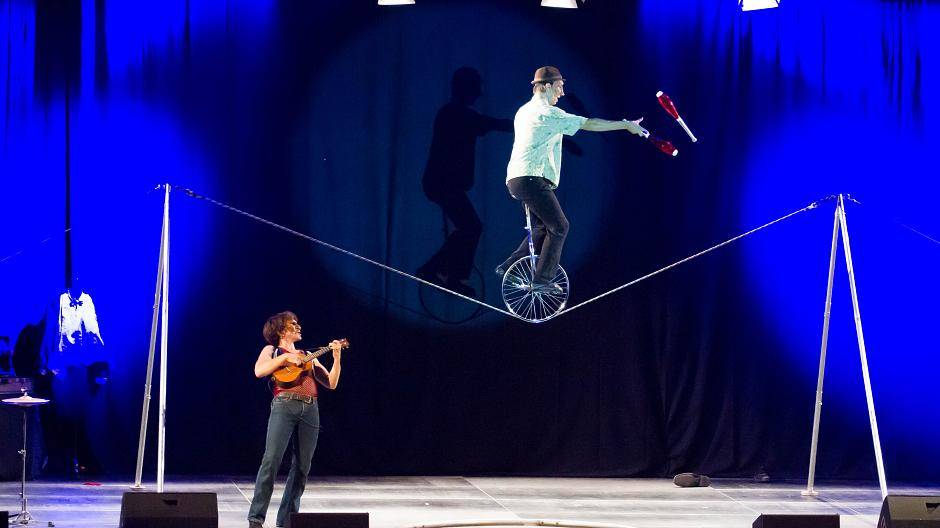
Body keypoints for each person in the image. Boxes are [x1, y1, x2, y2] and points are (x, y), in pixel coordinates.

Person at [496, 66, 648, 290]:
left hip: (518, 178)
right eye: (559, 87)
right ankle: (541, 281)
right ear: (546, 86)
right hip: (531, 178)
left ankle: (509, 267)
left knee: (542, 228)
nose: (562, 93)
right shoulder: (547, 113)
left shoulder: (523, 111)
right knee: (560, 226)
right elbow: (589, 123)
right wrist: (625, 125)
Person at [418, 67, 512, 296]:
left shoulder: (455, 114)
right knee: (470, 227)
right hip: (443, 184)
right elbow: (494, 123)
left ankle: (446, 273)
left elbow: (489, 124)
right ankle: (439, 271)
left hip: (442, 184)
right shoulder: (455, 114)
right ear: (465, 89)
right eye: (475, 89)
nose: (479, 94)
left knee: (469, 227)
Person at [247, 311, 343, 528]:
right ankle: (256, 519)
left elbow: (331, 383)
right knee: (271, 460)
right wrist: (285, 357)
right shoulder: (272, 350)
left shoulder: (308, 355)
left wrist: (337, 358)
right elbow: (259, 371)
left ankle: (287, 521)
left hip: (311, 409)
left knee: (302, 467)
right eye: (293, 324)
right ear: (281, 330)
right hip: (284, 405)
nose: (298, 326)